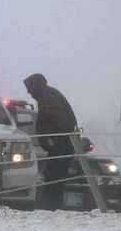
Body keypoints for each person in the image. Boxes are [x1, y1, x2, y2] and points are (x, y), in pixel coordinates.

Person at [23, 73, 79, 210]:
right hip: (60, 146)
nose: (29, 93)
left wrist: (51, 140)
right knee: (54, 177)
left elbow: (58, 122)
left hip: (60, 146)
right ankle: (52, 206)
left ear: (37, 87)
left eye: (30, 90)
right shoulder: (49, 96)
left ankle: (52, 207)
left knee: (54, 178)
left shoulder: (50, 100)